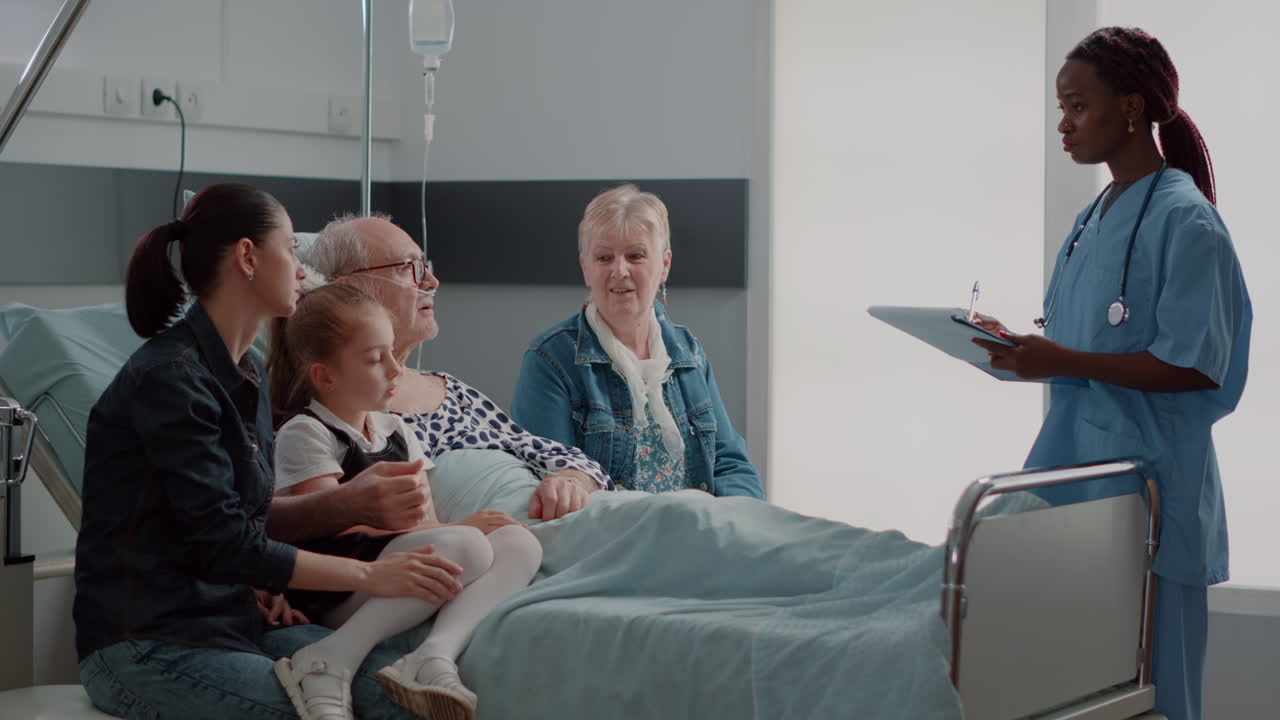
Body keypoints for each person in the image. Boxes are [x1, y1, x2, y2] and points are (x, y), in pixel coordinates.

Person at [74, 184, 464, 720]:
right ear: (248, 257)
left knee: (404, 703)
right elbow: (224, 542)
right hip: (149, 645)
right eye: (291, 251)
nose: (303, 269)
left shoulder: (247, 375)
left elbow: (245, 520)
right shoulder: (169, 380)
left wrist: (269, 581)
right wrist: (368, 577)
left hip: (234, 628)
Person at [971, 28, 1251, 720]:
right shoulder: (1093, 215)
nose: (1062, 125)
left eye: (1076, 106)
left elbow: (1192, 367)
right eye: (1059, 108)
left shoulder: (1189, 223)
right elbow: (1089, 338)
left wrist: (1060, 360)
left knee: (1162, 694)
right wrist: (1023, 347)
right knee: (1083, 693)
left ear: (1130, 107)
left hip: (1154, 497)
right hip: (1081, 488)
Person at [266, 282, 541, 720]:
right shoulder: (306, 434)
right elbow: (327, 531)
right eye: (376, 359)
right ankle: (331, 656)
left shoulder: (397, 429)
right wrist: (463, 534)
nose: (396, 370)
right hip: (341, 591)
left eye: (393, 353)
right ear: (325, 375)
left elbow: (424, 523)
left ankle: (433, 656)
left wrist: (466, 530)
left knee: (520, 543)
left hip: (396, 574)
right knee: (466, 545)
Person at [265, 213, 612, 548]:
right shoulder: (343, 422)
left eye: (426, 267)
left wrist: (571, 480)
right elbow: (333, 537)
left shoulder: (451, 390)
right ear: (350, 288)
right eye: (409, 268)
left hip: (569, 516)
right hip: (510, 542)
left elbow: (544, 450)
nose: (431, 282)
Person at [510, 184, 763, 497]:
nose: (619, 270)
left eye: (636, 255)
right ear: (585, 268)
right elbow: (551, 483)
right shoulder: (550, 359)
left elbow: (729, 462)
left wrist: (737, 524)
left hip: (698, 535)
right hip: (610, 539)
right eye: (604, 257)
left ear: (665, 265)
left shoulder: (688, 351)